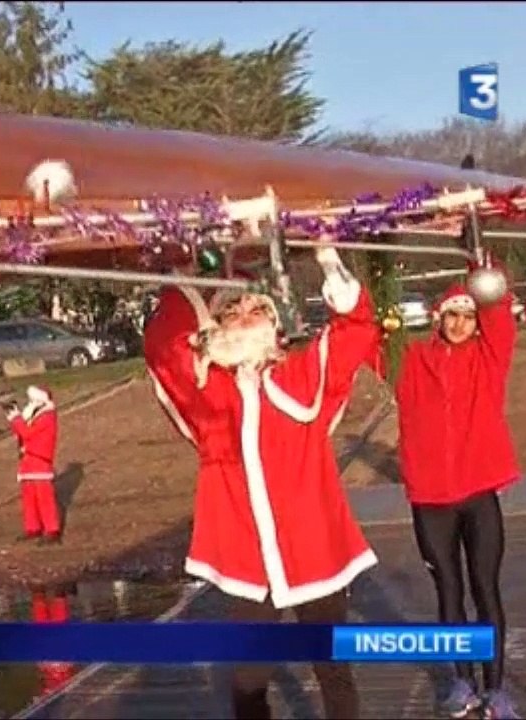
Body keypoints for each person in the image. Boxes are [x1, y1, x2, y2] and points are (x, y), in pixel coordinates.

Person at [142, 245, 382, 720]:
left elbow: (354, 333)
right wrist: (181, 282)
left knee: (332, 669)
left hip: (313, 547)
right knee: (249, 680)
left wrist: (333, 271)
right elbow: (163, 349)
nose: (245, 317)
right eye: (233, 310)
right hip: (246, 556)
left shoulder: (300, 376)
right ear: (218, 327)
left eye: (256, 309)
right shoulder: (207, 389)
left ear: (274, 324)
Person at [395, 261, 521, 720]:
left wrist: (475, 258)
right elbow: (371, 340)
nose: (460, 324)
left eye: (469, 315)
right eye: (452, 314)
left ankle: (497, 689)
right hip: (430, 499)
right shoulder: (412, 362)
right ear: (437, 317)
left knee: (485, 588)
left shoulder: (489, 360)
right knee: (449, 589)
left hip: (478, 493)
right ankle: (461, 682)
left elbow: (498, 309)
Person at [6, 385, 62, 544]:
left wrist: (16, 418)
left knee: (44, 497)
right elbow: (22, 431)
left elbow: (27, 433)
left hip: (40, 458)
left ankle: (52, 529)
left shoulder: (47, 416)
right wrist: (15, 418)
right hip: (29, 459)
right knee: (28, 496)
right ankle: (33, 527)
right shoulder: (35, 414)